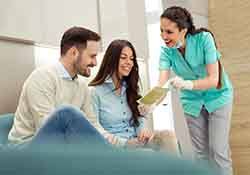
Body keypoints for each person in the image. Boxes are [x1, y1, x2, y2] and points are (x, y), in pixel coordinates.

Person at [157, 6, 233, 175]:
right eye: (161, 31)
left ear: (183, 30)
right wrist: (148, 103)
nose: (164, 36)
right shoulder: (166, 51)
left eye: (169, 32)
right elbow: (161, 84)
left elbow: (214, 79)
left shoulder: (204, 39)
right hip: (192, 102)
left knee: (218, 151)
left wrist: (188, 84)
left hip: (218, 97)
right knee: (200, 154)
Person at [8, 26, 112, 148]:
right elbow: (49, 132)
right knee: (66, 113)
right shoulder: (42, 78)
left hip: (58, 149)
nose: (95, 63)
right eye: (92, 56)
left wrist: (114, 145)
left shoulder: (82, 86)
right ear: (74, 52)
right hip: (25, 148)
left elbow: (93, 125)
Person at [89, 39, 178, 152]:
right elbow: (95, 131)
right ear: (112, 59)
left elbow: (139, 119)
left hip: (136, 142)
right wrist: (125, 143)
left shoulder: (131, 88)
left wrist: (143, 131)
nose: (129, 62)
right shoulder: (95, 92)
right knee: (148, 154)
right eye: (123, 57)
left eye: (131, 59)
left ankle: (179, 169)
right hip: (115, 148)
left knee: (167, 136)